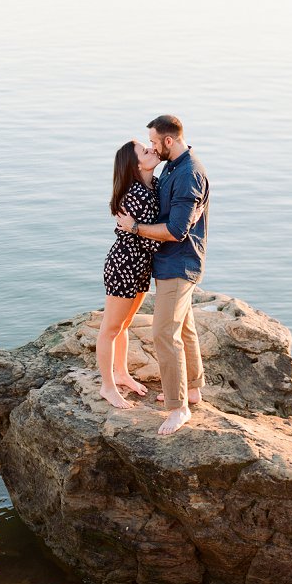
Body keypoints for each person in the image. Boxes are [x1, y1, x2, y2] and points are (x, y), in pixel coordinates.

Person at [116, 115, 209, 436]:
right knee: (184, 329)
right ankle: (193, 389)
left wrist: (135, 228)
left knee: (163, 334)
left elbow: (176, 230)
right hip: (168, 263)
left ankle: (177, 407)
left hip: (179, 265)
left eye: (155, 142)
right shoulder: (173, 166)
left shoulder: (187, 174)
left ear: (169, 141)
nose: (153, 148)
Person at [97, 140, 161, 409]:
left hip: (140, 265)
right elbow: (151, 240)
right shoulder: (136, 194)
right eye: (145, 151)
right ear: (136, 165)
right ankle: (107, 386)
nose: (152, 150)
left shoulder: (153, 186)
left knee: (123, 325)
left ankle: (122, 373)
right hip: (125, 264)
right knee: (110, 328)